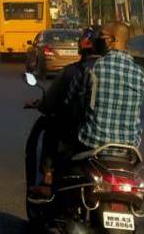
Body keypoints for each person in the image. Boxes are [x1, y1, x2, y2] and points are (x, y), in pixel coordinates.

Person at [28, 28, 102, 193]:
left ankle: (48, 177)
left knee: (52, 130)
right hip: (121, 142)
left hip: (79, 133)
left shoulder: (79, 71)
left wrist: (42, 104)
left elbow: (62, 101)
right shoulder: (128, 72)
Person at [66, 21, 144, 150]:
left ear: (111, 40)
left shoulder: (90, 68)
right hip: (129, 148)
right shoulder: (141, 74)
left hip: (91, 143)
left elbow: (69, 98)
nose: (98, 40)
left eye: (101, 36)